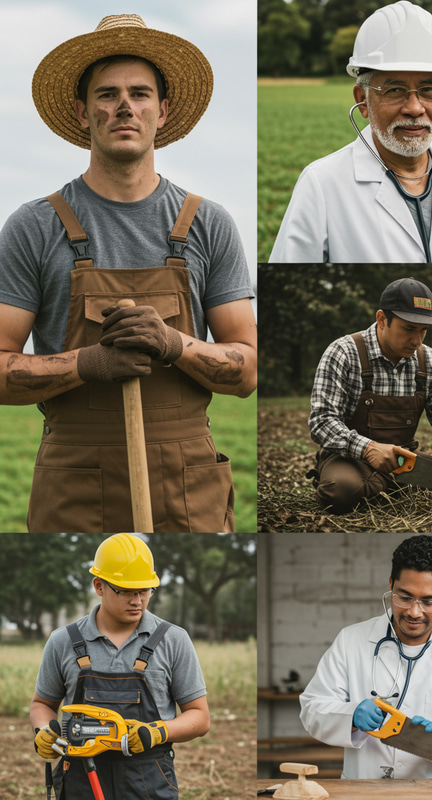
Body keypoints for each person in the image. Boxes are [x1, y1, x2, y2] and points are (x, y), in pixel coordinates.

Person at [0, 15, 257, 533]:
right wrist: (88, 362)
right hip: (73, 479)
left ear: (162, 112)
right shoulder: (35, 225)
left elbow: (247, 371)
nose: (124, 106)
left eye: (140, 93)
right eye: (107, 93)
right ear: (82, 111)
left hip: (186, 480)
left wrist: (173, 345)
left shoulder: (208, 224)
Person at [269, 0, 432, 263]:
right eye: (394, 90)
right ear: (362, 101)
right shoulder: (321, 184)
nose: (415, 108)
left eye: (428, 90)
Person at [299, 535, 432, 779]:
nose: (414, 611)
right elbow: (312, 709)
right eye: (404, 597)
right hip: (365, 792)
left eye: (429, 601)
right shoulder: (351, 640)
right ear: (391, 585)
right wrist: (351, 716)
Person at [31, 533, 209, 800]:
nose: (137, 600)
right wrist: (44, 732)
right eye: (125, 591)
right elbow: (41, 704)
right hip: (82, 776)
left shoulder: (174, 639)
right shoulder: (63, 640)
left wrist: (158, 731)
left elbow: (200, 717)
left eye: (144, 590)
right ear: (99, 586)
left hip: (149, 779)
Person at [307, 276, 432, 514]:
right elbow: (321, 422)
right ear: (382, 319)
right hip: (350, 458)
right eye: (408, 329)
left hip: (404, 462)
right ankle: (396, 486)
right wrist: (368, 448)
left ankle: (387, 485)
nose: (416, 340)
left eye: (423, 331)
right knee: (339, 492)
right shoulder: (343, 352)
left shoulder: (429, 360)